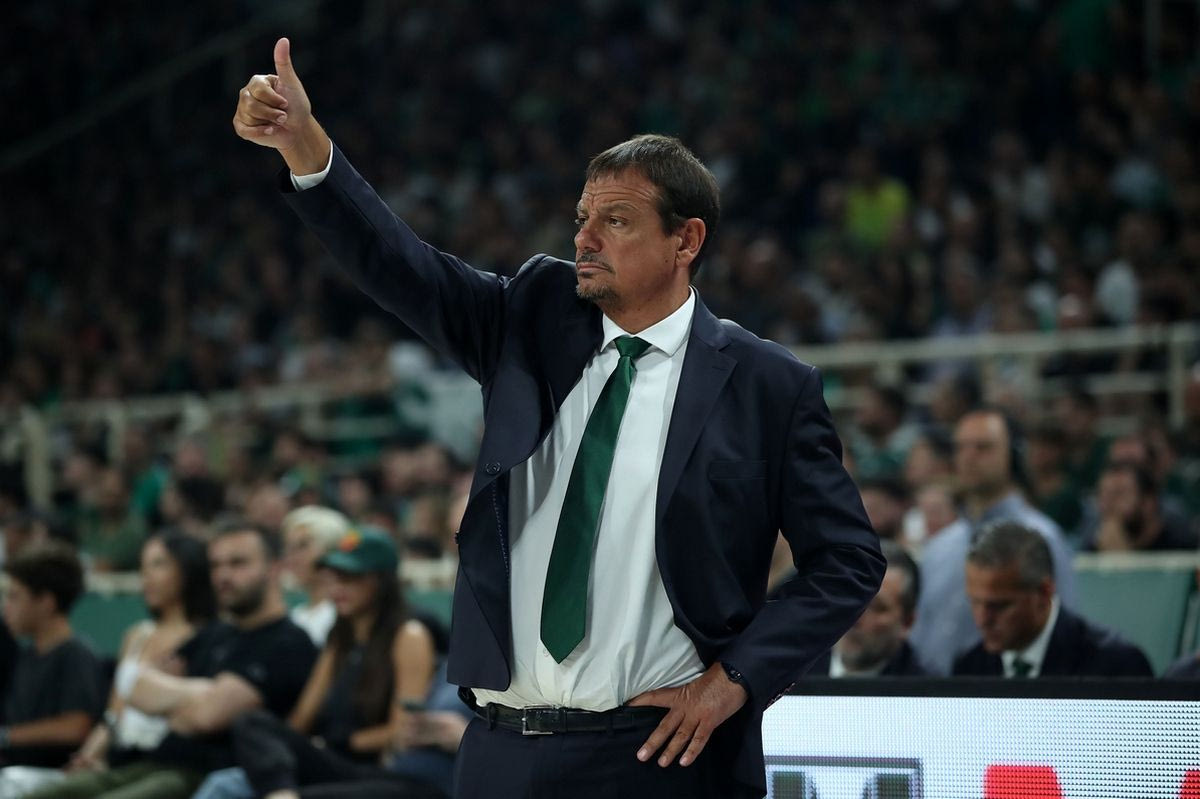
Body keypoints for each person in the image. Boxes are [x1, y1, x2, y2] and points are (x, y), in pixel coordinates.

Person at [233, 38, 883, 799]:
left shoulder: (768, 384)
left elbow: (848, 560)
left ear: (686, 239)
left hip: (658, 756)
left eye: (616, 220)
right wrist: (305, 148)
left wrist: (734, 680)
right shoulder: (531, 318)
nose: (584, 237)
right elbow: (403, 267)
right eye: (582, 216)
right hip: (500, 749)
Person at [25, 521, 318, 799]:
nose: (224, 575)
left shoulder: (288, 642)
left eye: (238, 563)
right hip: (153, 763)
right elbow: (135, 687)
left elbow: (207, 717)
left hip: (207, 774)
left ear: (274, 568)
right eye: (216, 565)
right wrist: (204, 692)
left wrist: (173, 699)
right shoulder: (216, 633)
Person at [192, 527, 437, 799]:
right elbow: (302, 717)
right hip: (332, 762)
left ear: (381, 581)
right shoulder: (340, 639)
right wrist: (282, 745)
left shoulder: (409, 636)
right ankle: (280, 791)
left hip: (381, 775)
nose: (337, 587)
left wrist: (337, 742)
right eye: (333, 577)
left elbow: (403, 731)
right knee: (250, 724)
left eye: (350, 577)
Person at [0, 532, 216, 798]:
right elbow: (114, 717)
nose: (146, 576)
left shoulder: (206, 637)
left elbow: (201, 715)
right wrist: (88, 756)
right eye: (143, 566)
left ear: (188, 570)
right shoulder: (136, 635)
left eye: (159, 564)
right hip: (122, 761)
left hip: (173, 763)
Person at [909, 408, 1077, 675]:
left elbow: (1063, 632)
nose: (969, 457)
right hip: (930, 692)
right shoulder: (938, 547)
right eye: (961, 447)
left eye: (983, 447)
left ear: (1011, 455)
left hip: (1006, 692)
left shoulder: (1043, 538)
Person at [952, 521, 1152, 678]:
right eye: (974, 602)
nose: (982, 620)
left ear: (1044, 592)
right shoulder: (969, 668)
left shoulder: (1115, 666)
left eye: (999, 606)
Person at [0, 543, 104, 773]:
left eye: (15, 597)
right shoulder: (25, 655)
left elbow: (76, 727)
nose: (6, 607)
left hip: (51, 774)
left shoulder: (76, 654)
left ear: (46, 602)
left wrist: (7, 736)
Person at [805, 541, 927, 677]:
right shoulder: (797, 664)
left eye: (876, 607)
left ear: (907, 623)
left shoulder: (923, 687)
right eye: (848, 597)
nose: (855, 618)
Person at [1083, 461, 1198, 551]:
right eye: (1104, 496)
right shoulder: (1093, 550)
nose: (1109, 505)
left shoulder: (1182, 547)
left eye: (1119, 494)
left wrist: (1120, 560)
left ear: (1148, 503)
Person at [281, 506, 351, 646]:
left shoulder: (344, 612)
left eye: (303, 546)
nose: (291, 558)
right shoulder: (295, 616)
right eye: (289, 548)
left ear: (331, 551)